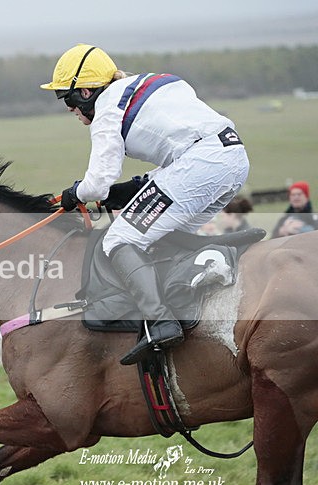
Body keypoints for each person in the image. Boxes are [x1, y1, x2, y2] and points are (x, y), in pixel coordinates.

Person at [43, 44, 249, 365]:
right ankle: (193, 290)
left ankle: (160, 322)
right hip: (232, 159)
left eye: (66, 98)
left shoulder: (107, 113)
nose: (68, 108)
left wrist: (75, 194)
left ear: (85, 92)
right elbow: (179, 147)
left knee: (119, 239)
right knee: (161, 236)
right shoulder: (153, 81)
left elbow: (98, 182)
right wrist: (131, 189)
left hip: (201, 165)